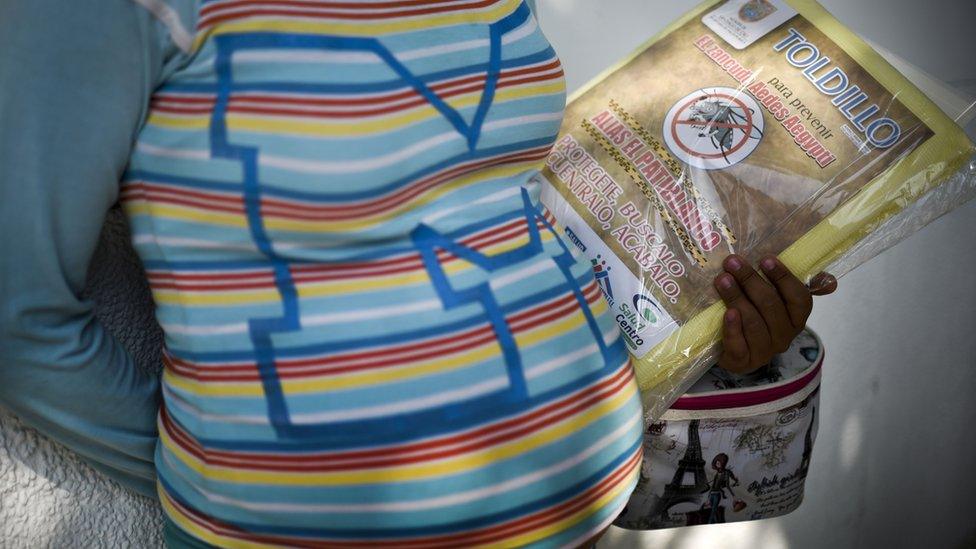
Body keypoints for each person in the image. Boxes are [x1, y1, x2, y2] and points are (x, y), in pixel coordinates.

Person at [0, 1, 836, 546]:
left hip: (580, 519)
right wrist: (208, 463)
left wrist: (715, 309)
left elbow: (483, 209)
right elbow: (15, 311)